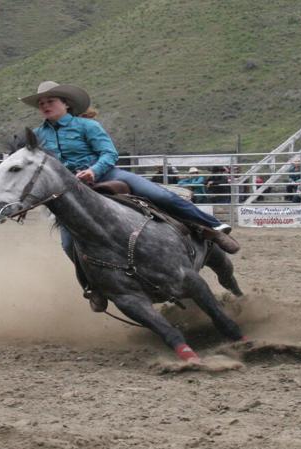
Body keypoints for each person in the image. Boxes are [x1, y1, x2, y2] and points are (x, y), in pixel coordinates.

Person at [18, 80, 238, 306]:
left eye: (50, 101)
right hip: (71, 192)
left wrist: (93, 171)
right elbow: (34, 170)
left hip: (107, 176)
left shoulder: (87, 126)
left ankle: (212, 228)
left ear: (66, 104)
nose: (45, 106)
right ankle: (92, 287)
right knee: (68, 244)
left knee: (160, 196)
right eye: (41, 103)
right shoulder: (37, 136)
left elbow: (108, 153)